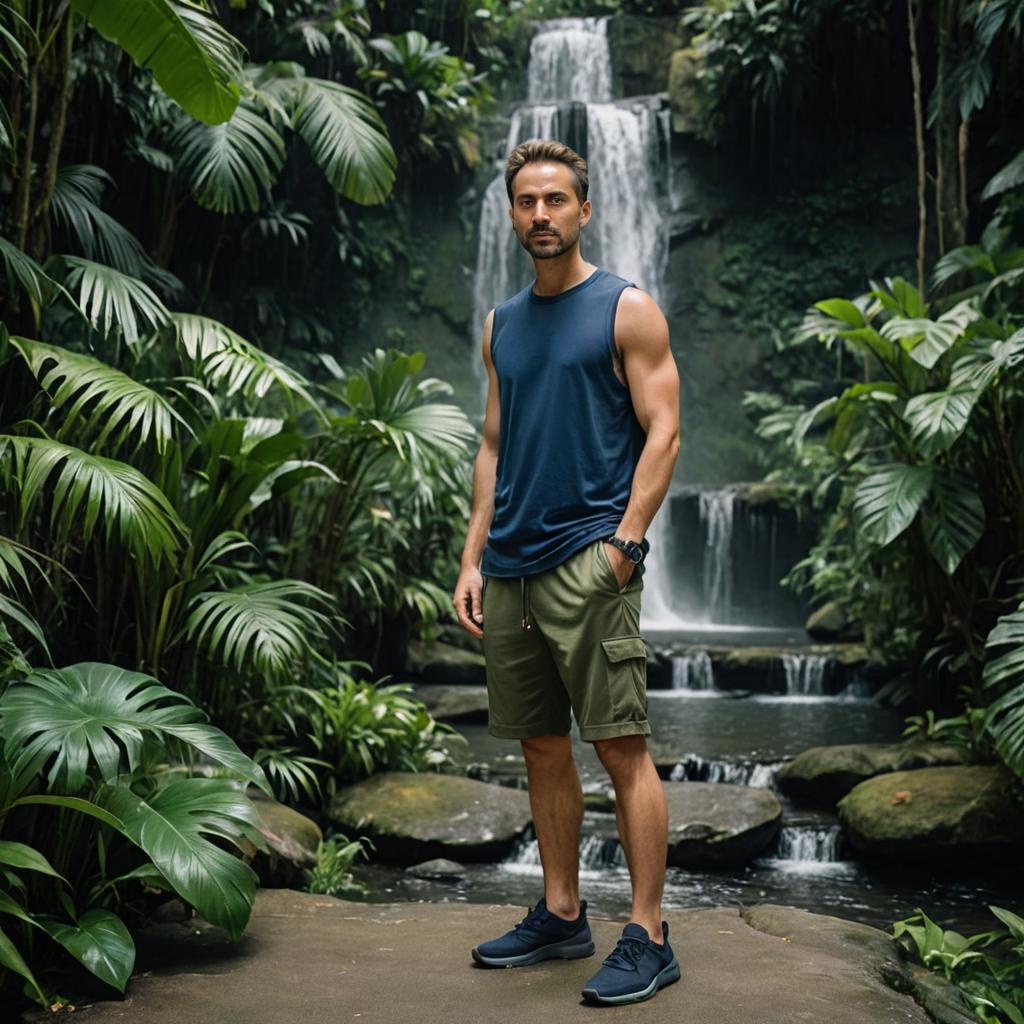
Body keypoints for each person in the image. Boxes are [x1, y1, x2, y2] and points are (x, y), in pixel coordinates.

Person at [452, 138, 681, 1006]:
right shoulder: (500, 323)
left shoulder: (627, 308)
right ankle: (560, 912)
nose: (540, 214)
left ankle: (649, 934)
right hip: (508, 565)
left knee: (621, 745)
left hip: (591, 556)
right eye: (525, 201)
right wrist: (473, 557)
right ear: (511, 214)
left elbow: (663, 431)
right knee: (541, 743)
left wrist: (624, 545)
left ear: (585, 208)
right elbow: (493, 443)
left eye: (555, 200)